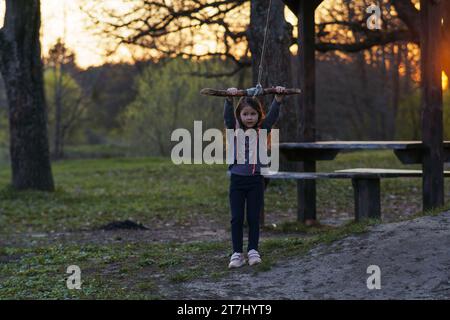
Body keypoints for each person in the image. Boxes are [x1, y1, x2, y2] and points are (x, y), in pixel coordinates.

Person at [223, 86, 285, 268]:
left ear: (258, 115)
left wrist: (278, 100)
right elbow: (228, 118)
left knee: (253, 217)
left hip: (256, 181)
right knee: (236, 218)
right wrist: (229, 99)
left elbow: (272, 117)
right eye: (245, 114)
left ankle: (252, 250)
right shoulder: (234, 129)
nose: (249, 117)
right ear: (239, 116)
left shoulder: (262, 130)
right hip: (237, 181)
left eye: (252, 114)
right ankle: (236, 253)